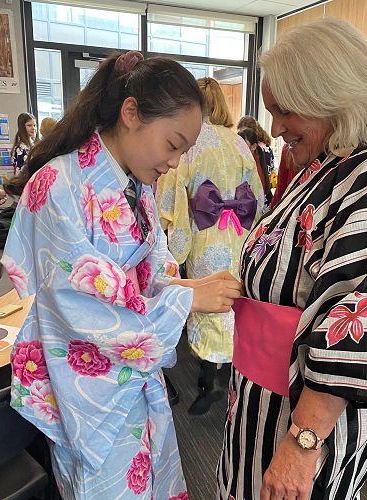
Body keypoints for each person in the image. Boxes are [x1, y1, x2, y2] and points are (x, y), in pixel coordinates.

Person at [1, 51, 242, 499]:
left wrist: (189, 285)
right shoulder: (59, 184)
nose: (175, 163)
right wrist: (186, 300)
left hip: (131, 378)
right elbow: (79, 307)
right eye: (172, 145)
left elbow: (152, 268)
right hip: (90, 391)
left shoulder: (136, 185)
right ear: (130, 113)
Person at [218, 18, 367, 500]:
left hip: (303, 422)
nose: (275, 128)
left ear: (332, 96)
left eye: (286, 111)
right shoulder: (321, 169)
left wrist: (303, 442)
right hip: (258, 404)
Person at [156, 77, 264, 415]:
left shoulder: (189, 143)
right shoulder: (239, 143)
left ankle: (209, 380)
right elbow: (259, 198)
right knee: (233, 300)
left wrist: (174, 239)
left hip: (205, 236)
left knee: (206, 301)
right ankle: (232, 378)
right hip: (239, 234)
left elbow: (171, 197)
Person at [238, 127, 272, 206]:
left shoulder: (253, 166)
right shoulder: (251, 161)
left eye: (243, 145)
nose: (239, 148)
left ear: (253, 147)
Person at [270, 143, 298, 207]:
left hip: (291, 202)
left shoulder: (287, 149)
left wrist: (274, 207)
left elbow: (281, 184)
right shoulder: (287, 149)